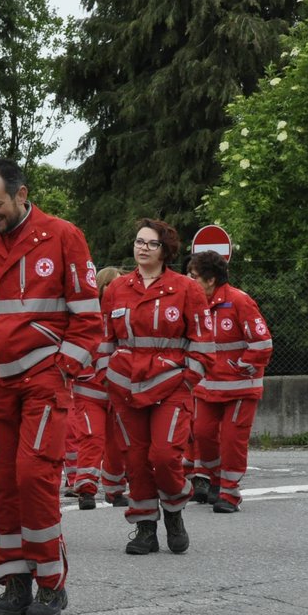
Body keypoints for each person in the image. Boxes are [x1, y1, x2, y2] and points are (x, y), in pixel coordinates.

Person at [0, 157, 101, 615]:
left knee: (32, 475)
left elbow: (87, 318)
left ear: (21, 195)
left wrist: (65, 369)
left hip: (43, 380)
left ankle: (51, 583)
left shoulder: (63, 236)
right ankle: (15, 582)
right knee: (3, 481)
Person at [102, 219, 210, 556]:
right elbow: (105, 340)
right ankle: (145, 527)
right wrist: (107, 375)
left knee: (163, 456)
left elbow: (203, 342)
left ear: (165, 251)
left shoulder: (187, 288)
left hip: (170, 385)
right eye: (139, 242)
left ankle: (174, 512)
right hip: (126, 387)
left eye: (151, 243)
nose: (143, 248)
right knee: (135, 461)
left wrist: (188, 378)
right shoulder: (116, 288)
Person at [185, 250, 271, 514]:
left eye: (194, 276)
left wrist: (240, 367)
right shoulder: (195, 303)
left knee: (232, 441)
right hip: (206, 388)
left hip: (239, 390)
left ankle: (230, 493)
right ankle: (214, 480)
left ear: (210, 280)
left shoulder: (239, 302)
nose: (189, 281)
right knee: (202, 434)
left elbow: (262, 343)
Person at [69, 266, 123, 510]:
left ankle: (114, 490)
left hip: (118, 392)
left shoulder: (124, 315)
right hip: (89, 391)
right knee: (93, 438)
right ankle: (86, 490)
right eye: (110, 284)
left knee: (116, 443)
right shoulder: (87, 316)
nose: (114, 289)